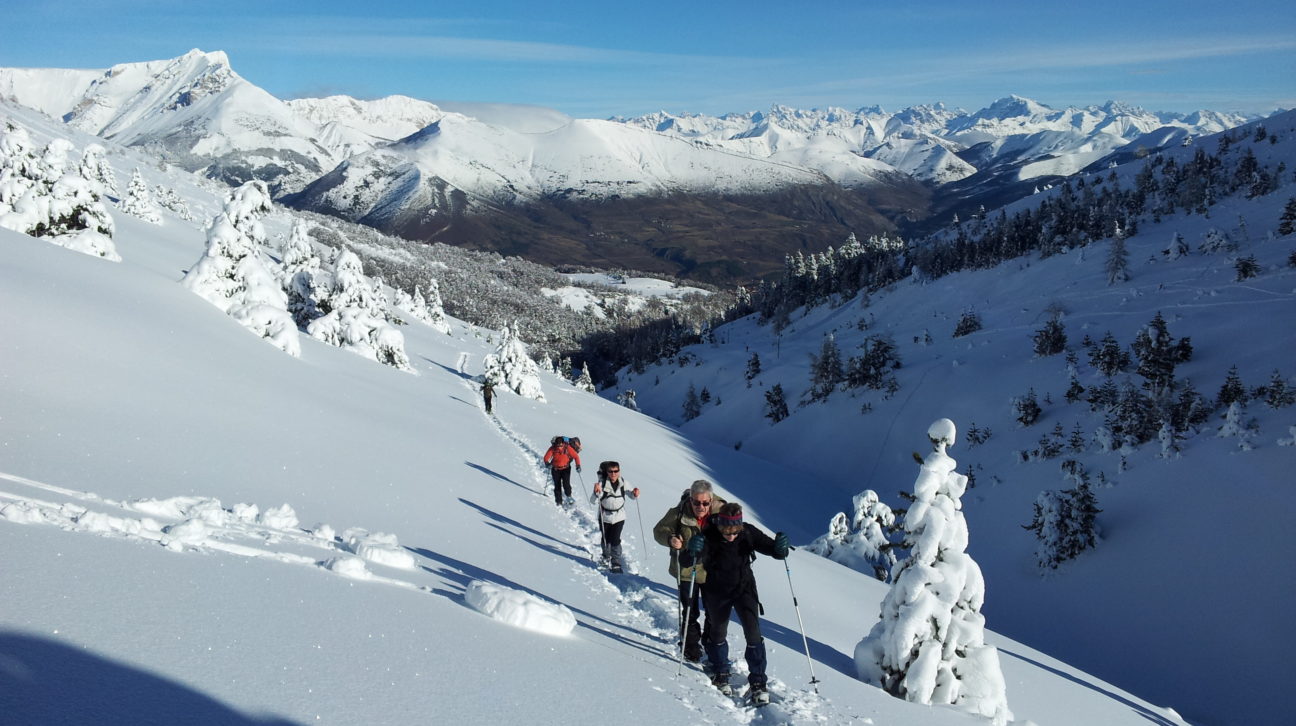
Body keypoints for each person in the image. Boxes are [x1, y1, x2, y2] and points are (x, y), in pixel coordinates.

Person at [683, 502, 789, 702]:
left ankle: (758, 682)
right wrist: (691, 550)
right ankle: (720, 671)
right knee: (718, 632)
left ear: (740, 526)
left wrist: (780, 547)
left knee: (753, 632)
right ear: (720, 525)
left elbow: (773, 550)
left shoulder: (747, 532)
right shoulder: (709, 535)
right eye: (726, 532)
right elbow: (688, 562)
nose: (730, 536)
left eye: (734, 532)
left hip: (744, 589)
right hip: (716, 590)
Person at [653, 479, 726, 663]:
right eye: (696, 502)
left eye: (704, 503)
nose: (700, 506)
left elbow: (736, 531)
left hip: (712, 571)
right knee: (690, 609)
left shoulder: (722, 512)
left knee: (713, 612)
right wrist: (670, 539)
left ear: (711, 500)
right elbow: (658, 530)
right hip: (687, 569)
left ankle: (709, 644)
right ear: (690, 499)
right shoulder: (679, 512)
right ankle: (691, 646)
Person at [591, 461, 639, 573]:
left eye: (616, 471)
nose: (613, 474)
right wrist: (595, 492)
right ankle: (605, 556)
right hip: (605, 516)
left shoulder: (624, 483)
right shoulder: (602, 484)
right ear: (607, 472)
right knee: (605, 538)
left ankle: (616, 561)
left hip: (619, 516)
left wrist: (635, 493)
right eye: (611, 471)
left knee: (615, 539)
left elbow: (631, 495)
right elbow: (593, 501)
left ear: (619, 471)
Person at [542, 436, 581, 506]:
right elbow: (546, 458)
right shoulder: (553, 449)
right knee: (557, 486)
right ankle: (558, 501)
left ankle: (569, 496)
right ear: (556, 444)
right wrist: (547, 464)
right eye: (558, 445)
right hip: (555, 470)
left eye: (561, 445)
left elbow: (576, 456)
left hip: (566, 469)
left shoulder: (567, 448)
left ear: (563, 443)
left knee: (566, 484)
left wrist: (578, 465)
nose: (559, 446)